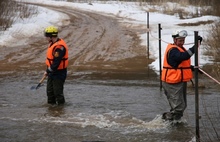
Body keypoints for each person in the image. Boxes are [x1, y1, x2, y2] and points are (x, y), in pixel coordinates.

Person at [161, 30, 202, 121]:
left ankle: (173, 123)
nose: (182, 43)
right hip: (172, 82)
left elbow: (179, 64)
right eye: (180, 41)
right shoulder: (173, 50)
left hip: (178, 81)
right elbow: (183, 56)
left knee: (181, 106)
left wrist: (191, 68)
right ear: (175, 40)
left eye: (183, 40)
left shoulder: (179, 49)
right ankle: (168, 122)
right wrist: (195, 46)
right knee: (179, 107)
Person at [43, 25, 68, 105]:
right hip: (52, 72)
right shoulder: (52, 43)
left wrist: (48, 70)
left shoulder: (59, 47)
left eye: (46, 35)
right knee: (50, 92)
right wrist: (48, 70)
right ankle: (51, 110)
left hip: (59, 73)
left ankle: (60, 110)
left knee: (58, 93)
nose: (45, 37)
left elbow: (56, 62)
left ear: (51, 36)